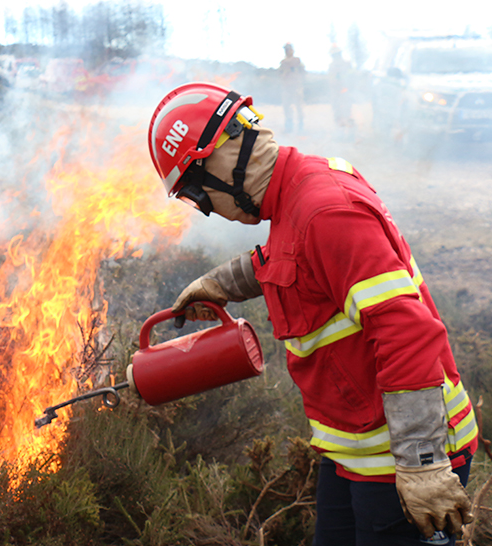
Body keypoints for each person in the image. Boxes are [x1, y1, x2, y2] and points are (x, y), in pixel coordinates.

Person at [145, 82, 478, 545]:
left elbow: (407, 330)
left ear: (220, 159)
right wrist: (222, 283)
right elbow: (296, 259)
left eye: (196, 196)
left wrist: (422, 466)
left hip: (400, 459)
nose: (206, 211)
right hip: (353, 451)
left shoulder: (325, 211)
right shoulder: (298, 192)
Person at [328, 44, 356, 141]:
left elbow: (351, 78)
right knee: (338, 114)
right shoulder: (332, 66)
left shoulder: (346, 65)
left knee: (347, 113)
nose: (335, 57)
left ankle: (351, 134)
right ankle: (341, 134)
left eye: (336, 54)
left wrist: (346, 89)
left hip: (345, 93)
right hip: (336, 94)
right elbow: (331, 81)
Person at [279, 43, 305, 133]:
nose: (288, 51)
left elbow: (303, 72)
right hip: (287, 88)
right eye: (286, 49)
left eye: (289, 49)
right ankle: (289, 126)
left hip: (296, 87)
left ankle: (300, 126)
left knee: (299, 107)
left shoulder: (297, 61)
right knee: (287, 107)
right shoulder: (283, 62)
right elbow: (280, 75)